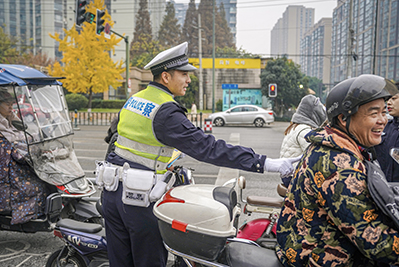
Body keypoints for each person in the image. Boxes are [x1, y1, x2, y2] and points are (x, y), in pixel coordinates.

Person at [101, 42, 300, 267]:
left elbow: (118, 139)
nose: (189, 79)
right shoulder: (165, 111)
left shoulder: (135, 100)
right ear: (165, 77)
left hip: (111, 193)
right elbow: (209, 148)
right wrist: (267, 163)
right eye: (184, 74)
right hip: (138, 202)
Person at [276, 74, 399, 267]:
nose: (383, 120)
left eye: (384, 112)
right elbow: (373, 241)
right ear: (343, 118)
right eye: (374, 114)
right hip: (321, 259)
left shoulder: (334, 144)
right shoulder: (337, 164)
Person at [0, 90, 49, 224]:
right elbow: (14, 149)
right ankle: (25, 217)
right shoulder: (0, 125)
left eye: (12, 104)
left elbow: (24, 135)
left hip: (17, 166)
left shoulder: (9, 120)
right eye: (7, 104)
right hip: (9, 171)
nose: (11, 107)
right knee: (37, 186)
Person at [280, 94, 327, 159]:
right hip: (295, 168)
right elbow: (315, 156)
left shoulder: (295, 126)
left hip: (288, 168)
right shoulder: (304, 130)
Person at [375, 85, 399, 182]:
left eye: (393, 98)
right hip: (384, 189)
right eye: (388, 99)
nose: (388, 103)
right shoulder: (383, 128)